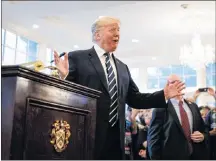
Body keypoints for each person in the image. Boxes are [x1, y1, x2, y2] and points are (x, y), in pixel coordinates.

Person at [53, 16, 185, 159]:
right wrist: (64, 78)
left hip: (116, 140)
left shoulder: (123, 68)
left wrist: (163, 94)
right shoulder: (77, 58)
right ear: (97, 35)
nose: (117, 34)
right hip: (87, 136)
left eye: (119, 30)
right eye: (112, 30)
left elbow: (136, 99)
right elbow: (65, 95)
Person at [147, 74, 210, 160]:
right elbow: (153, 139)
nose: (177, 85)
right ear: (167, 86)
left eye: (179, 82)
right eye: (173, 82)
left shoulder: (193, 106)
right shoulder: (160, 109)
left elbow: (204, 129)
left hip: (196, 155)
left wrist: (203, 136)